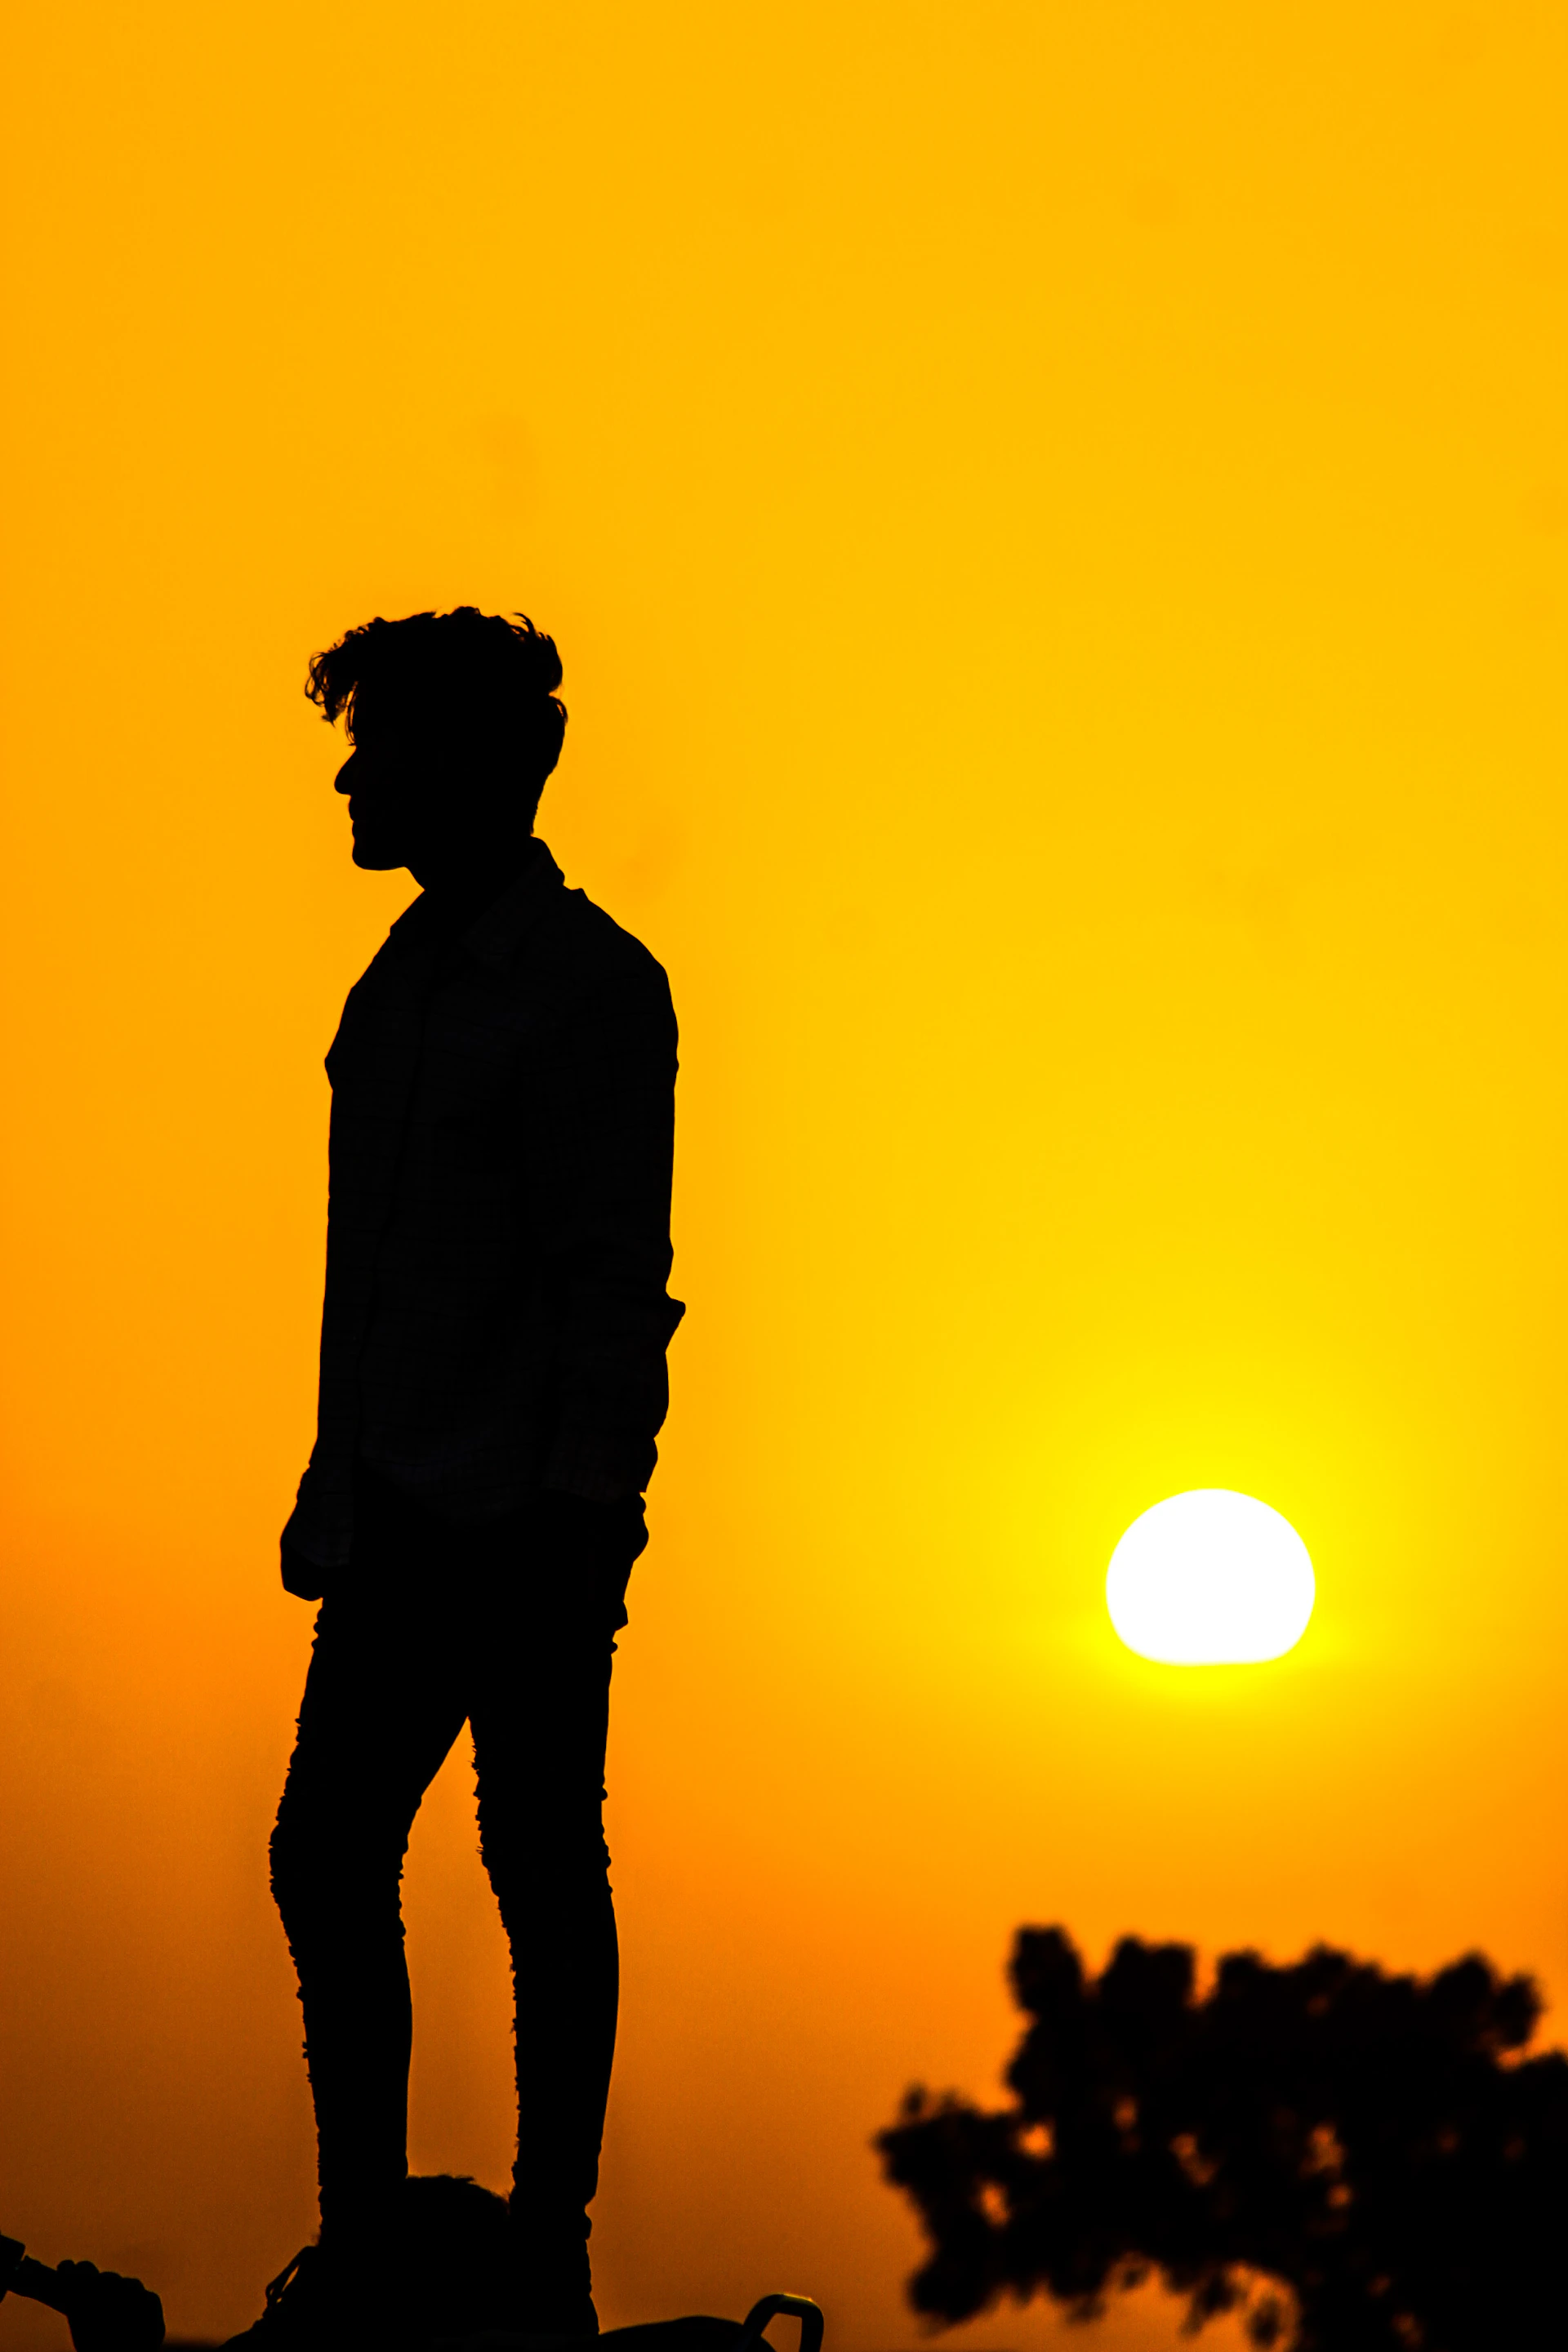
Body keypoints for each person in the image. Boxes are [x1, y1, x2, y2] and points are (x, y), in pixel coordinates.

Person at [232, 609, 683, 2345]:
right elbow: (380, 1274)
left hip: (529, 1518)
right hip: (398, 1513)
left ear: (489, 764)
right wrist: (333, 1483)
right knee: (327, 1856)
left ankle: (546, 2238)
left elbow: (606, 1277)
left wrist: (589, 1511)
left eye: (387, 743)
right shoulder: (400, 981)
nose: (354, 775)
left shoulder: (586, 988)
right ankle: (364, 2244)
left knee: (536, 1858)